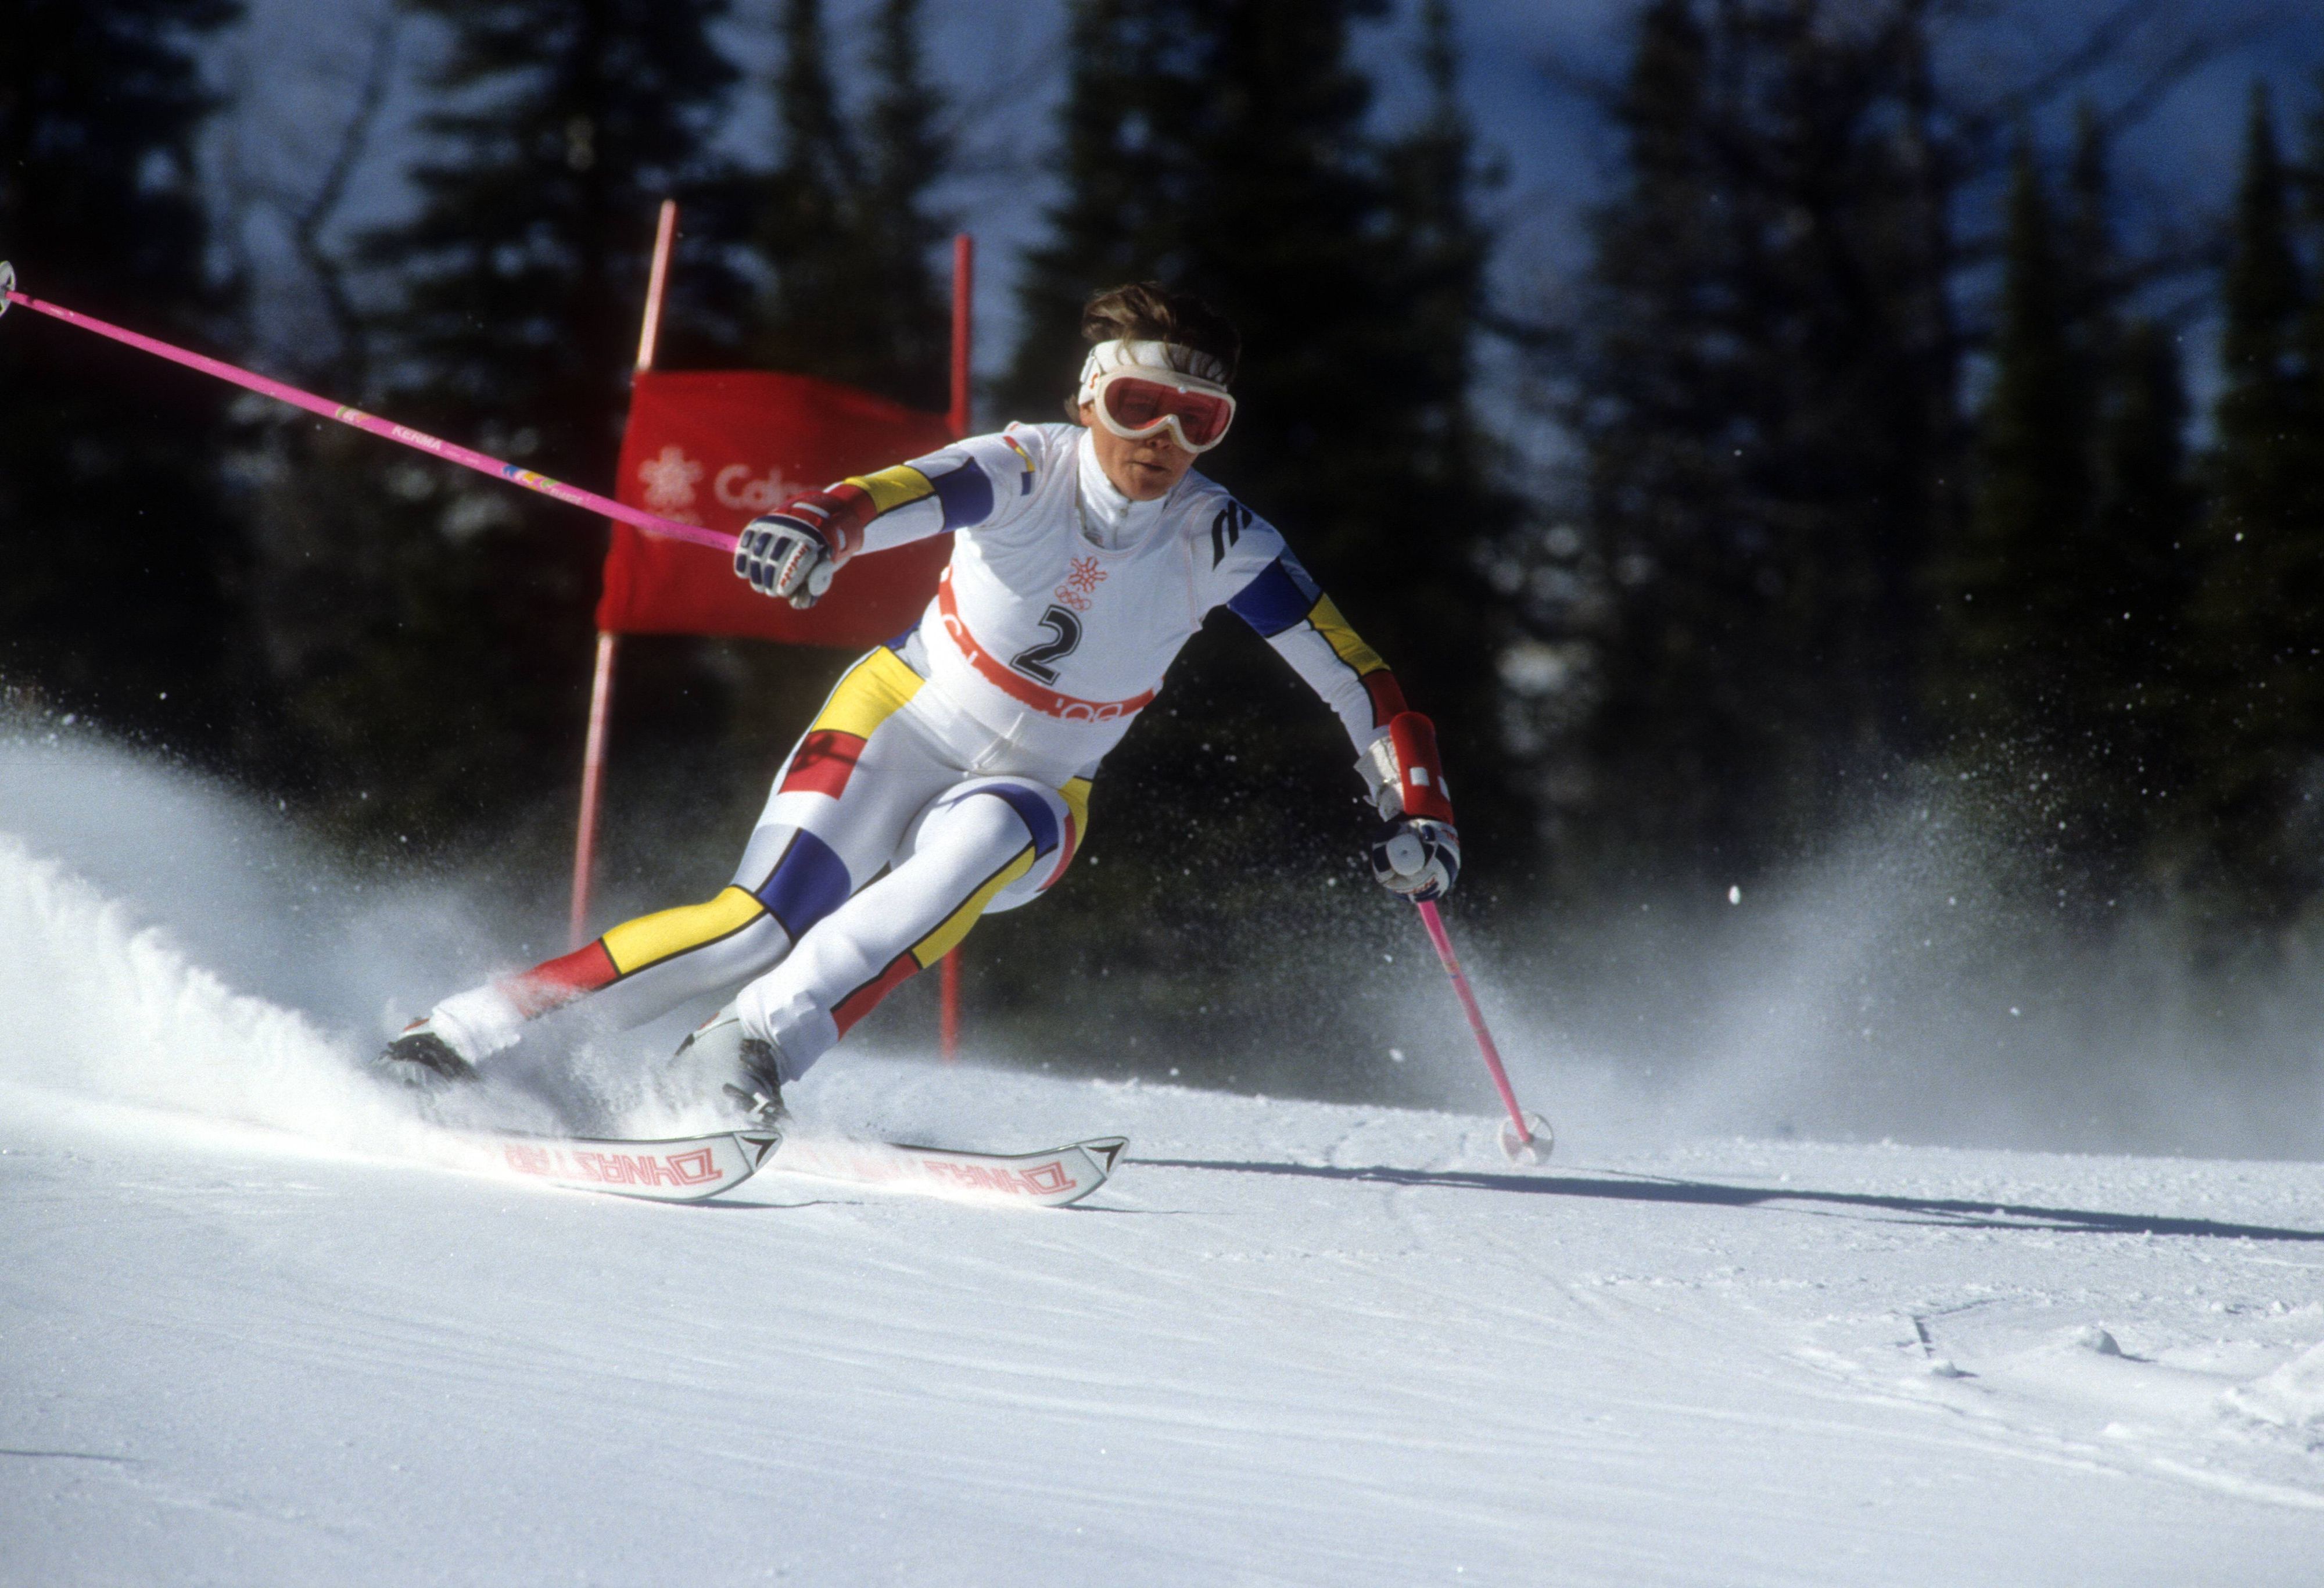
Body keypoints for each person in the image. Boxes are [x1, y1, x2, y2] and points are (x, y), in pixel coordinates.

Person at [379, 282, 1460, 1127]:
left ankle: (742, 1057)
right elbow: (894, 494)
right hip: (903, 712)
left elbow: (1358, 674)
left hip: (1041, 786)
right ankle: (460, 1041)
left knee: (985, 836)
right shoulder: (1026, 467)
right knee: (756, 922)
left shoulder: (1221, 538)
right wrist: (816, 529)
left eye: (1199, 420)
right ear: (1091, 397)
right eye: (1140, 406)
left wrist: (1419, 809)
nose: (1162, 441)